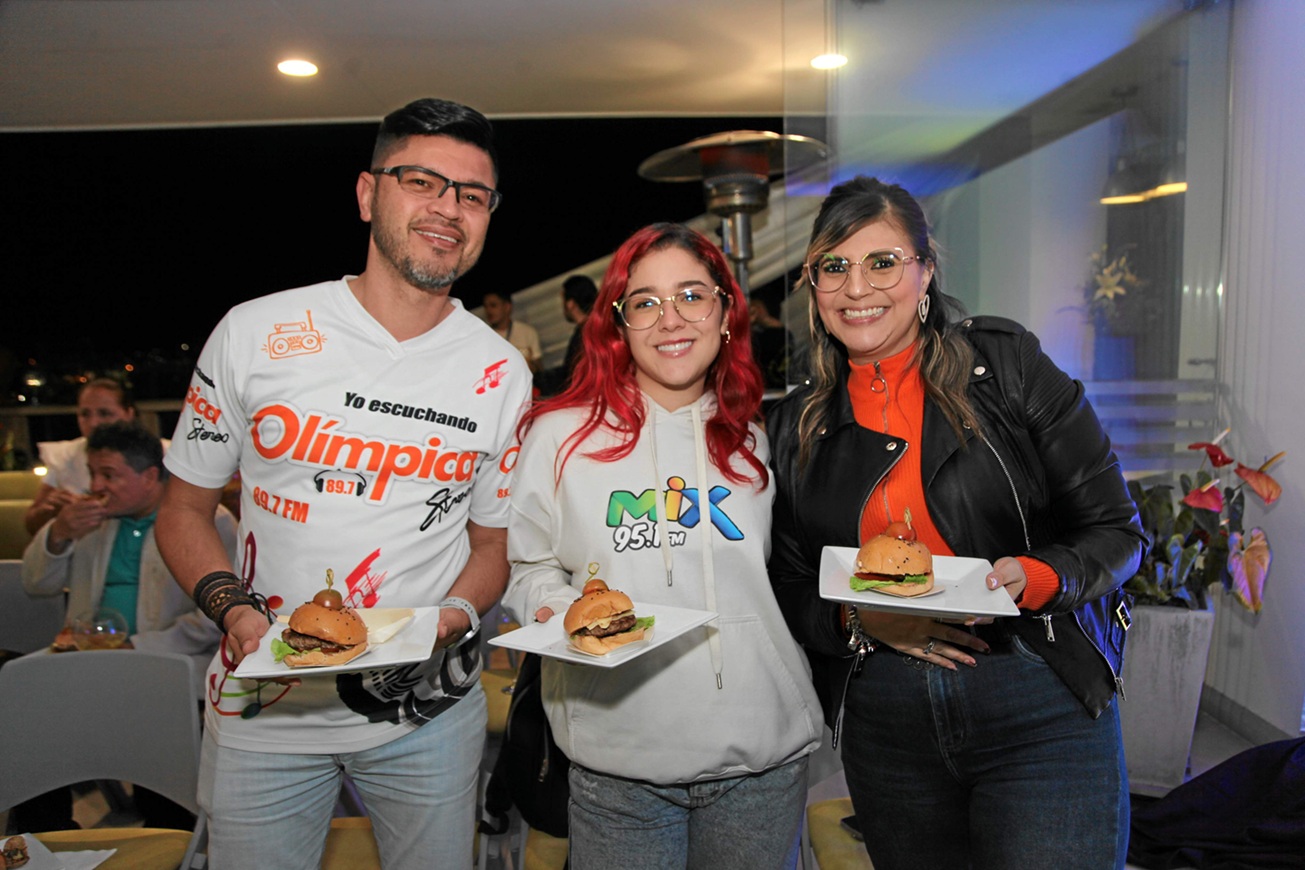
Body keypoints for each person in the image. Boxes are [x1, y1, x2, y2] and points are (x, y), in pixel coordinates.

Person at [154, 97, 531, 869]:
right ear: (368, 193)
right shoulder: (256, 333)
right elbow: (184, 508)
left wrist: (456, 614)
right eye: (421, 181)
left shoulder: (501, 371)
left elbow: (492, 541)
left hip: (427, 711)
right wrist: (234, 611)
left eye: (470, 194)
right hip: (263, 707)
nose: (446, 209)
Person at [766, 177, 1146, 870]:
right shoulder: (796, 425)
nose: (858, 288)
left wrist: (1030, 578)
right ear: (812, 287)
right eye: (834, 266)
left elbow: (1116, 532)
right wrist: (859, 622)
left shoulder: (1005, 366)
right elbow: (789, 583)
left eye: (882, 262)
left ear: (925, 272)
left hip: (1037, 693)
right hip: (886, 718)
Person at [502, 223, 823, 870]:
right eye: (644, 301)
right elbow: (527, 563)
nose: (669, 319)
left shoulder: (763, 435)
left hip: (758, 759)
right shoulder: (561, 436)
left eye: (691, 296)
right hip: (616, 763)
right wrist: (555, 608)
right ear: (617, 323)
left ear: (726, 311)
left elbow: (798, 574)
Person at [19, 421, 233, 830]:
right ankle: (47, 842)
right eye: (93, 473)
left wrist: (135, 646)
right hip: (87, 664)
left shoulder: (208, 521)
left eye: (109, 475)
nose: (97, 485)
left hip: (168, 668)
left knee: (158, 748)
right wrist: (60, 533)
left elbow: (217, 614)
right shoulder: (88, 519)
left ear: (150, 476)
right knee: (28, 716)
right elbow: (36, 583)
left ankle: (169, 833)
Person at [24, 378, 137, 535]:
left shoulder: (161, 455)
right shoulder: (65, 457)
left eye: (104, 413)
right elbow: (32, 526)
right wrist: (49, 512)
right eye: (85, 414)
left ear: (129, 414)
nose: (93, 423)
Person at [536, 273, 598, 396]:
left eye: (562, 299)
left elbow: (571, 377)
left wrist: (537, 378)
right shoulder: (596, 327)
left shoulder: (585, 335)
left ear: (570, 303)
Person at [483, 289, 543, 372]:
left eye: (493, 306)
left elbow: (539, 368)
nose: (488, 311)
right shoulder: (484, 338)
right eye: (486, 307)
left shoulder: (527, 332)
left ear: (507, 307)